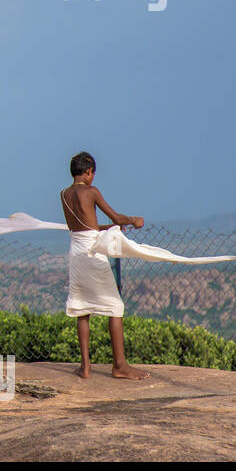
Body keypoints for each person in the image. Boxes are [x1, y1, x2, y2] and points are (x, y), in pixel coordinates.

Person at [59, 151, 149, 380]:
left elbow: (84, 227)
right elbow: (118, 218)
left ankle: (85, 367)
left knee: (82, 309)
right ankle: (119, 365)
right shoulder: (91, 191)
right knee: (115, 307)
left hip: (77, 253)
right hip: (93, 253)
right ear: (89, 171)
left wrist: (107, 227)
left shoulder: (64, 194)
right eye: (93, 173)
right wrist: (133, 220)